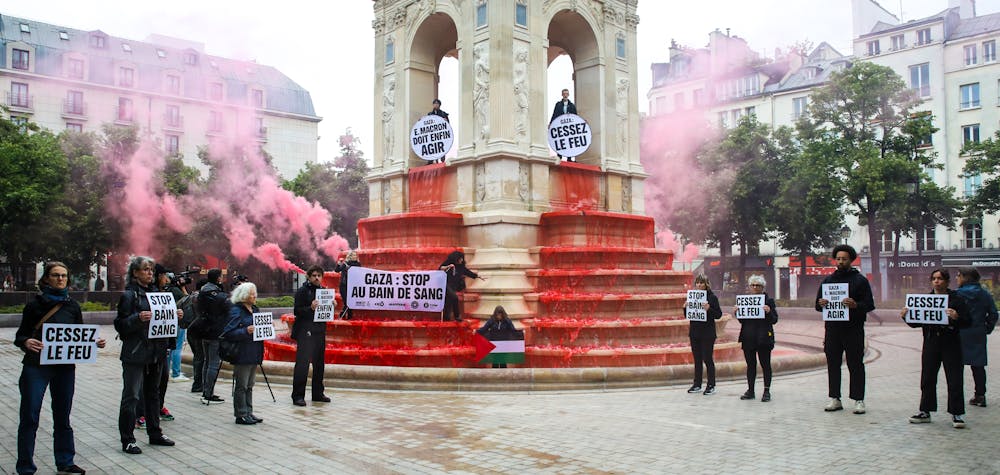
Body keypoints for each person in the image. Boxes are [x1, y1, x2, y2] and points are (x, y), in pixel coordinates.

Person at [15, 261, 106, 475]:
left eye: (64, 275)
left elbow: (79, 335)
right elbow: (21, 335)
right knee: (30, 417)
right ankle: (25, 467)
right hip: (36, 367)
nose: (61, 279)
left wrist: (94, 342)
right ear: (46, 279)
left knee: (63, 416)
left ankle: (65, 461)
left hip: (64, 368)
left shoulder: (72, 306)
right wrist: (26, 342)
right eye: (56, 275)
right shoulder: (34, 305)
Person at [115, 256, 176, 455]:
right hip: (135, 353)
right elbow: (120, 325)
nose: (150, 273)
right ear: (135, 273)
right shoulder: (129, 296)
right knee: (131, 396)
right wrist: (137, 318)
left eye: (151, 270)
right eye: (145, 269)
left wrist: (175, 315)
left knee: (153, 395)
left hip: (156, 353)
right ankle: (128, 439)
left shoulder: (157, 294)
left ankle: (155, 433)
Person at [901, 269, 971, 428]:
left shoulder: (957, 300)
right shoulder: (926, 299)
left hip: (951, 343)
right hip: (931, 342)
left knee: (954, 378)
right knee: (927, 377)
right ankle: (925, 410)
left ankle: (956, 413)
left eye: (940, 278)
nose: (936, 281)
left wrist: (956, 318)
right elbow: (916, 322)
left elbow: (968, 321)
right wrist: (906, 316)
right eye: (934, 278)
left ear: (947, 281)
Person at [815, 244, 875, 415]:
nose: (840, 262)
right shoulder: (827, 280)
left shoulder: (860, 280)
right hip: (833, 329)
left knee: (855, 364)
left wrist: (856, 305)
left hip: (853, 329)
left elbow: (870, 305)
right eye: (838, 259)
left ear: (851, 260)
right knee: (832, 364)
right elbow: (817, 305)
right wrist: (821, 303)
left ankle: (858, 399)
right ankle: (835, 397)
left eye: (844, 259)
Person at [221, 282, 265, 425]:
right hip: (242, 352)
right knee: (242, 385)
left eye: (255, 293)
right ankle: (241, 413)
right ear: (244, 295)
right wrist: (245, 331)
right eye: (252, 293)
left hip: (254, 351)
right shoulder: (236, 311)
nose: (254, 295)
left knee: (250, 384)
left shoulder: (255, 309)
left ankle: (249, 412)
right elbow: (228, 332)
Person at [955, 267, 997, 408]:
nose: (957, 278)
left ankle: (956, 395)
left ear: (965, 278)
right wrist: (986, 328)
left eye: (958, 276)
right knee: (978, 365)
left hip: (959, 332)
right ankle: (980, 395)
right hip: (977, 332)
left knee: (955, 365)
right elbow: (993, 314)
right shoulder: (984, 294)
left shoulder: (957, 294)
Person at [735, 275, 778, 402]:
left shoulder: (768, 301)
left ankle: (766, 390)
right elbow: (742, 321)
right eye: (752, 285)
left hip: (763, 338)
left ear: (762, 287)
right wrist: (737, 312)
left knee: (765, 365)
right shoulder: (745, 300)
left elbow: (774, 320)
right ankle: (751, 390)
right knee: (750, 365)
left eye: (757, 285)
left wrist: (769, 312)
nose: (755, 287)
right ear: (749, 287)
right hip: (748, 338)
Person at [291, 265, 330, 407]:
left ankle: (318, 393)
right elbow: (297, 311)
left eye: (319, 275)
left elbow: (326, 312)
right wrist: (310, 308)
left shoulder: (323, 291)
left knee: (319, 364)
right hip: (305, 331)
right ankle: (298, 395)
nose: (316, 278)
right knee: (303, 364)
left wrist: (331, 305)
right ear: (308, 276)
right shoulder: (302, 291)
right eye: (314, 275)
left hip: (319, 331)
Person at [687, 275, 723, 396]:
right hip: (695, 332)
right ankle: (697, 383)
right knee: (697, 359)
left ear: (706, 284)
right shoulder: (692, 297)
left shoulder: (712, 298)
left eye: (701, 283)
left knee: (707, 359)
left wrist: (709, 309)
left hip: (707, 333)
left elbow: (718, 314)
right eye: (697, 283)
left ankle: (711, 384)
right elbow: (688, 315)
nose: (699, 285)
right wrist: (685, 308)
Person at [198, 268, 229, 405]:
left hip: (204, 329)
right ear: (218, 278)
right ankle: (208, 394)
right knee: (214, 364)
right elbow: (228, 306)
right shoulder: (218, 294)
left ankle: (205, 391)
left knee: (207, 361)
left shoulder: (203, 291)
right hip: (216, 331)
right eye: (221, 276)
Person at [439, 250, 485, 322]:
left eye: (462, 258)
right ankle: (457, 316)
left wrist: (478, 276)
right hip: (446, 285)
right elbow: (440, 268)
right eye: (460, 258)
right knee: (454, 297)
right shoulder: (449, 263)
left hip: (454, 286)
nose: (462, 260)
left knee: (449, 301)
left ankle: (446, 318)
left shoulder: (461, 267)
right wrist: (448, 266)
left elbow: (468, 272)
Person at [186, 278, 209, 395]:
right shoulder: (200, 298)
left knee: (197, 357)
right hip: (198, 330)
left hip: (191, 329)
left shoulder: (191, 296)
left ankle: (198, 383)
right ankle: (198, 384)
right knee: (200, 358)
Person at [168, 272, 191, 383]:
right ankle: (176, 373)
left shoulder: (166, 290)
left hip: (168, 323)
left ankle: (166, 372)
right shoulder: (176, 291)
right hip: (178, 322)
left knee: (168, 348)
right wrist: (183, 288)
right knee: (177, 347)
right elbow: (188, 300)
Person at [550, 88, 578, 161]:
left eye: (566, 94)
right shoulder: (558, 104)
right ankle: (559, 156)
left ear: (568, 95)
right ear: (562, 95)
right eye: (564, 93)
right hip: (560, 125)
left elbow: (576, 116)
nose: (565, 95)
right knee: (560, 140)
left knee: (569, 141)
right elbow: (554, 114)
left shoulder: (572, 106)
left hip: (569, 126)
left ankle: (569, 157)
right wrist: (551, 123)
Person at [335, 252, 361, 320]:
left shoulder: (358, 265)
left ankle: (348, 316)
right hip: (344, 285)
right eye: (353, 255)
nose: (354, 256)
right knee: (347, 302)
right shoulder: (345, 264)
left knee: (350, 302)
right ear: (349, 256)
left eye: (355, 255)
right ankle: (344, 315)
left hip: (352, 286)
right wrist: (338, 264)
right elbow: (337, 270)